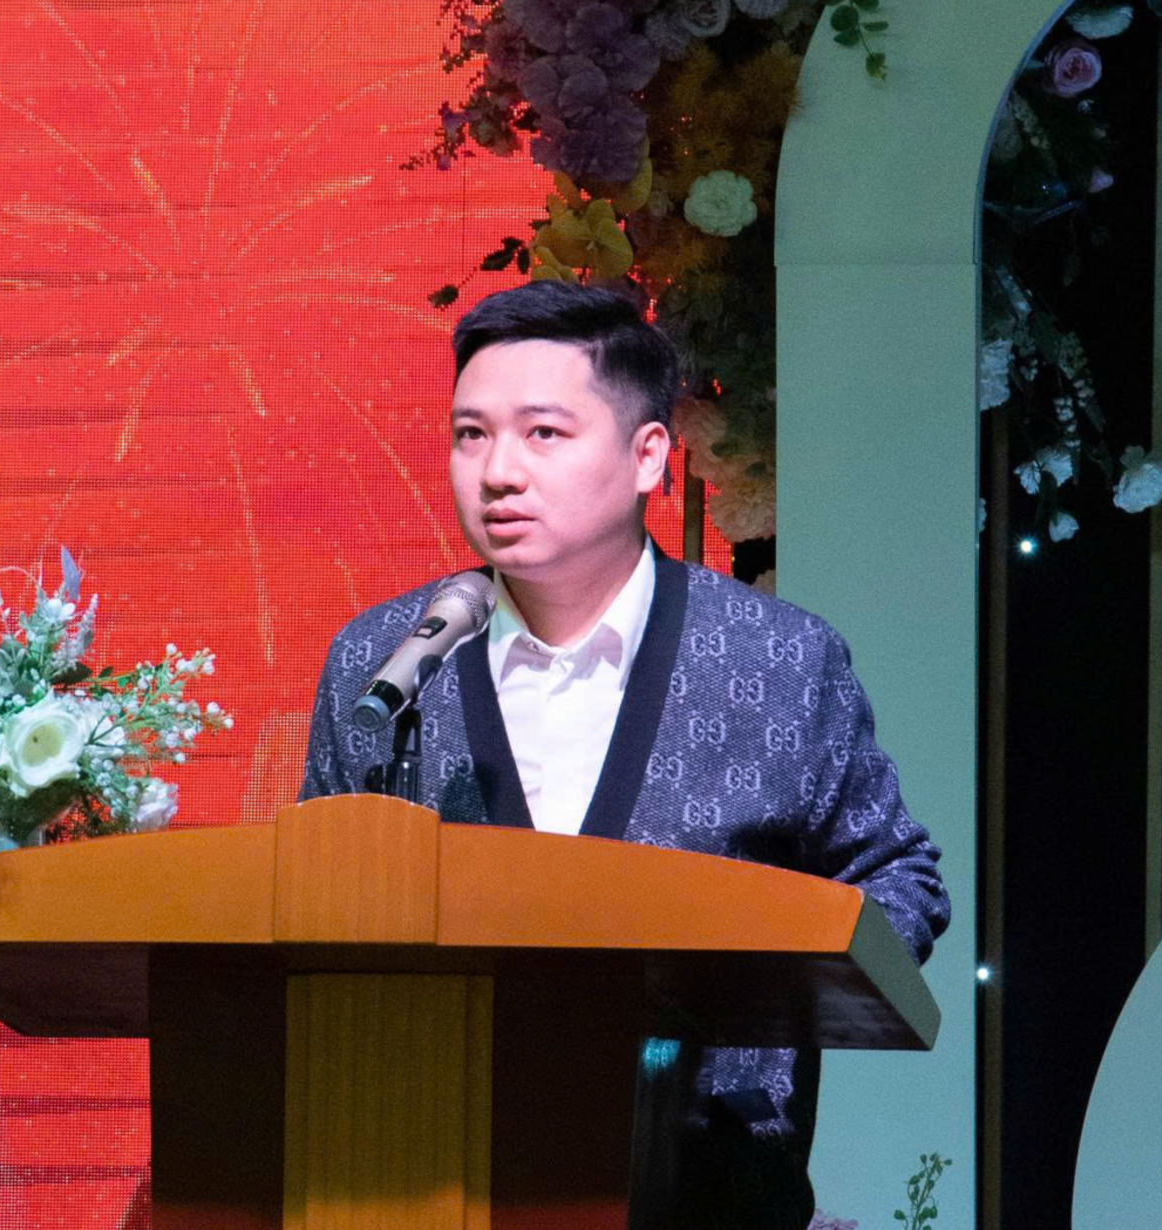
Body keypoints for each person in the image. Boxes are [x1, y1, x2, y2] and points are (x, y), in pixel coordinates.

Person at [299, 279, 949, 1229]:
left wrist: (760, 992)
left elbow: (897, 876)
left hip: (708, 1183)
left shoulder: (777, 660)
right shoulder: (386, 661)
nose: (497, 472)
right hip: (428, 1173)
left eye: (543, 433)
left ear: (649, 455)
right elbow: (308, 903)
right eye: (470, 434)